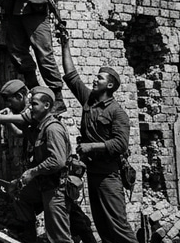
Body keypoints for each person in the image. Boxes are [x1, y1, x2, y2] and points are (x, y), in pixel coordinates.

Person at [60, 28, 135, 243]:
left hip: (109, 175)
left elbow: (120, 144)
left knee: (118, 227)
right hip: (92, 173)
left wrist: (91, 147)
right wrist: (65, 44)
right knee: (103, 228)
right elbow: (71, 76)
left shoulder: (117, 112)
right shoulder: (89, 100)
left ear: (109, 85)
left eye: (99, 78)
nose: (95, 80)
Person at [4, 87, 73, 243]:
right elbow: (20, 133)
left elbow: (57, 161)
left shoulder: (52, 128)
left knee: (58, 236)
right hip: (43, 184)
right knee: (19, 193)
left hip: (56, 187)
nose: (30, 108)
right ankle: (30, 237)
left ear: (46, 105)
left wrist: (32, 172)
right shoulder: (39, 127)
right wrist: (7, 120)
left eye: (34, 104)